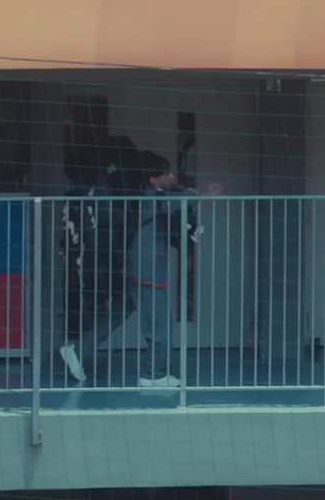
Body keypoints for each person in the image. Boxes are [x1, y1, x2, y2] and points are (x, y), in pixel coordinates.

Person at [58, 151, 219, 388]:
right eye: (166, 173)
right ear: (154, 179)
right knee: (159, 323)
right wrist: (205, 194)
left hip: (139, 267)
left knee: (121, 311)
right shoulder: (151, 198)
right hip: (149, 270)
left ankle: (79, 349)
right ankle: (152, 374)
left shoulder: (148, 196)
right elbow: (182, 201)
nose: (171, 175)